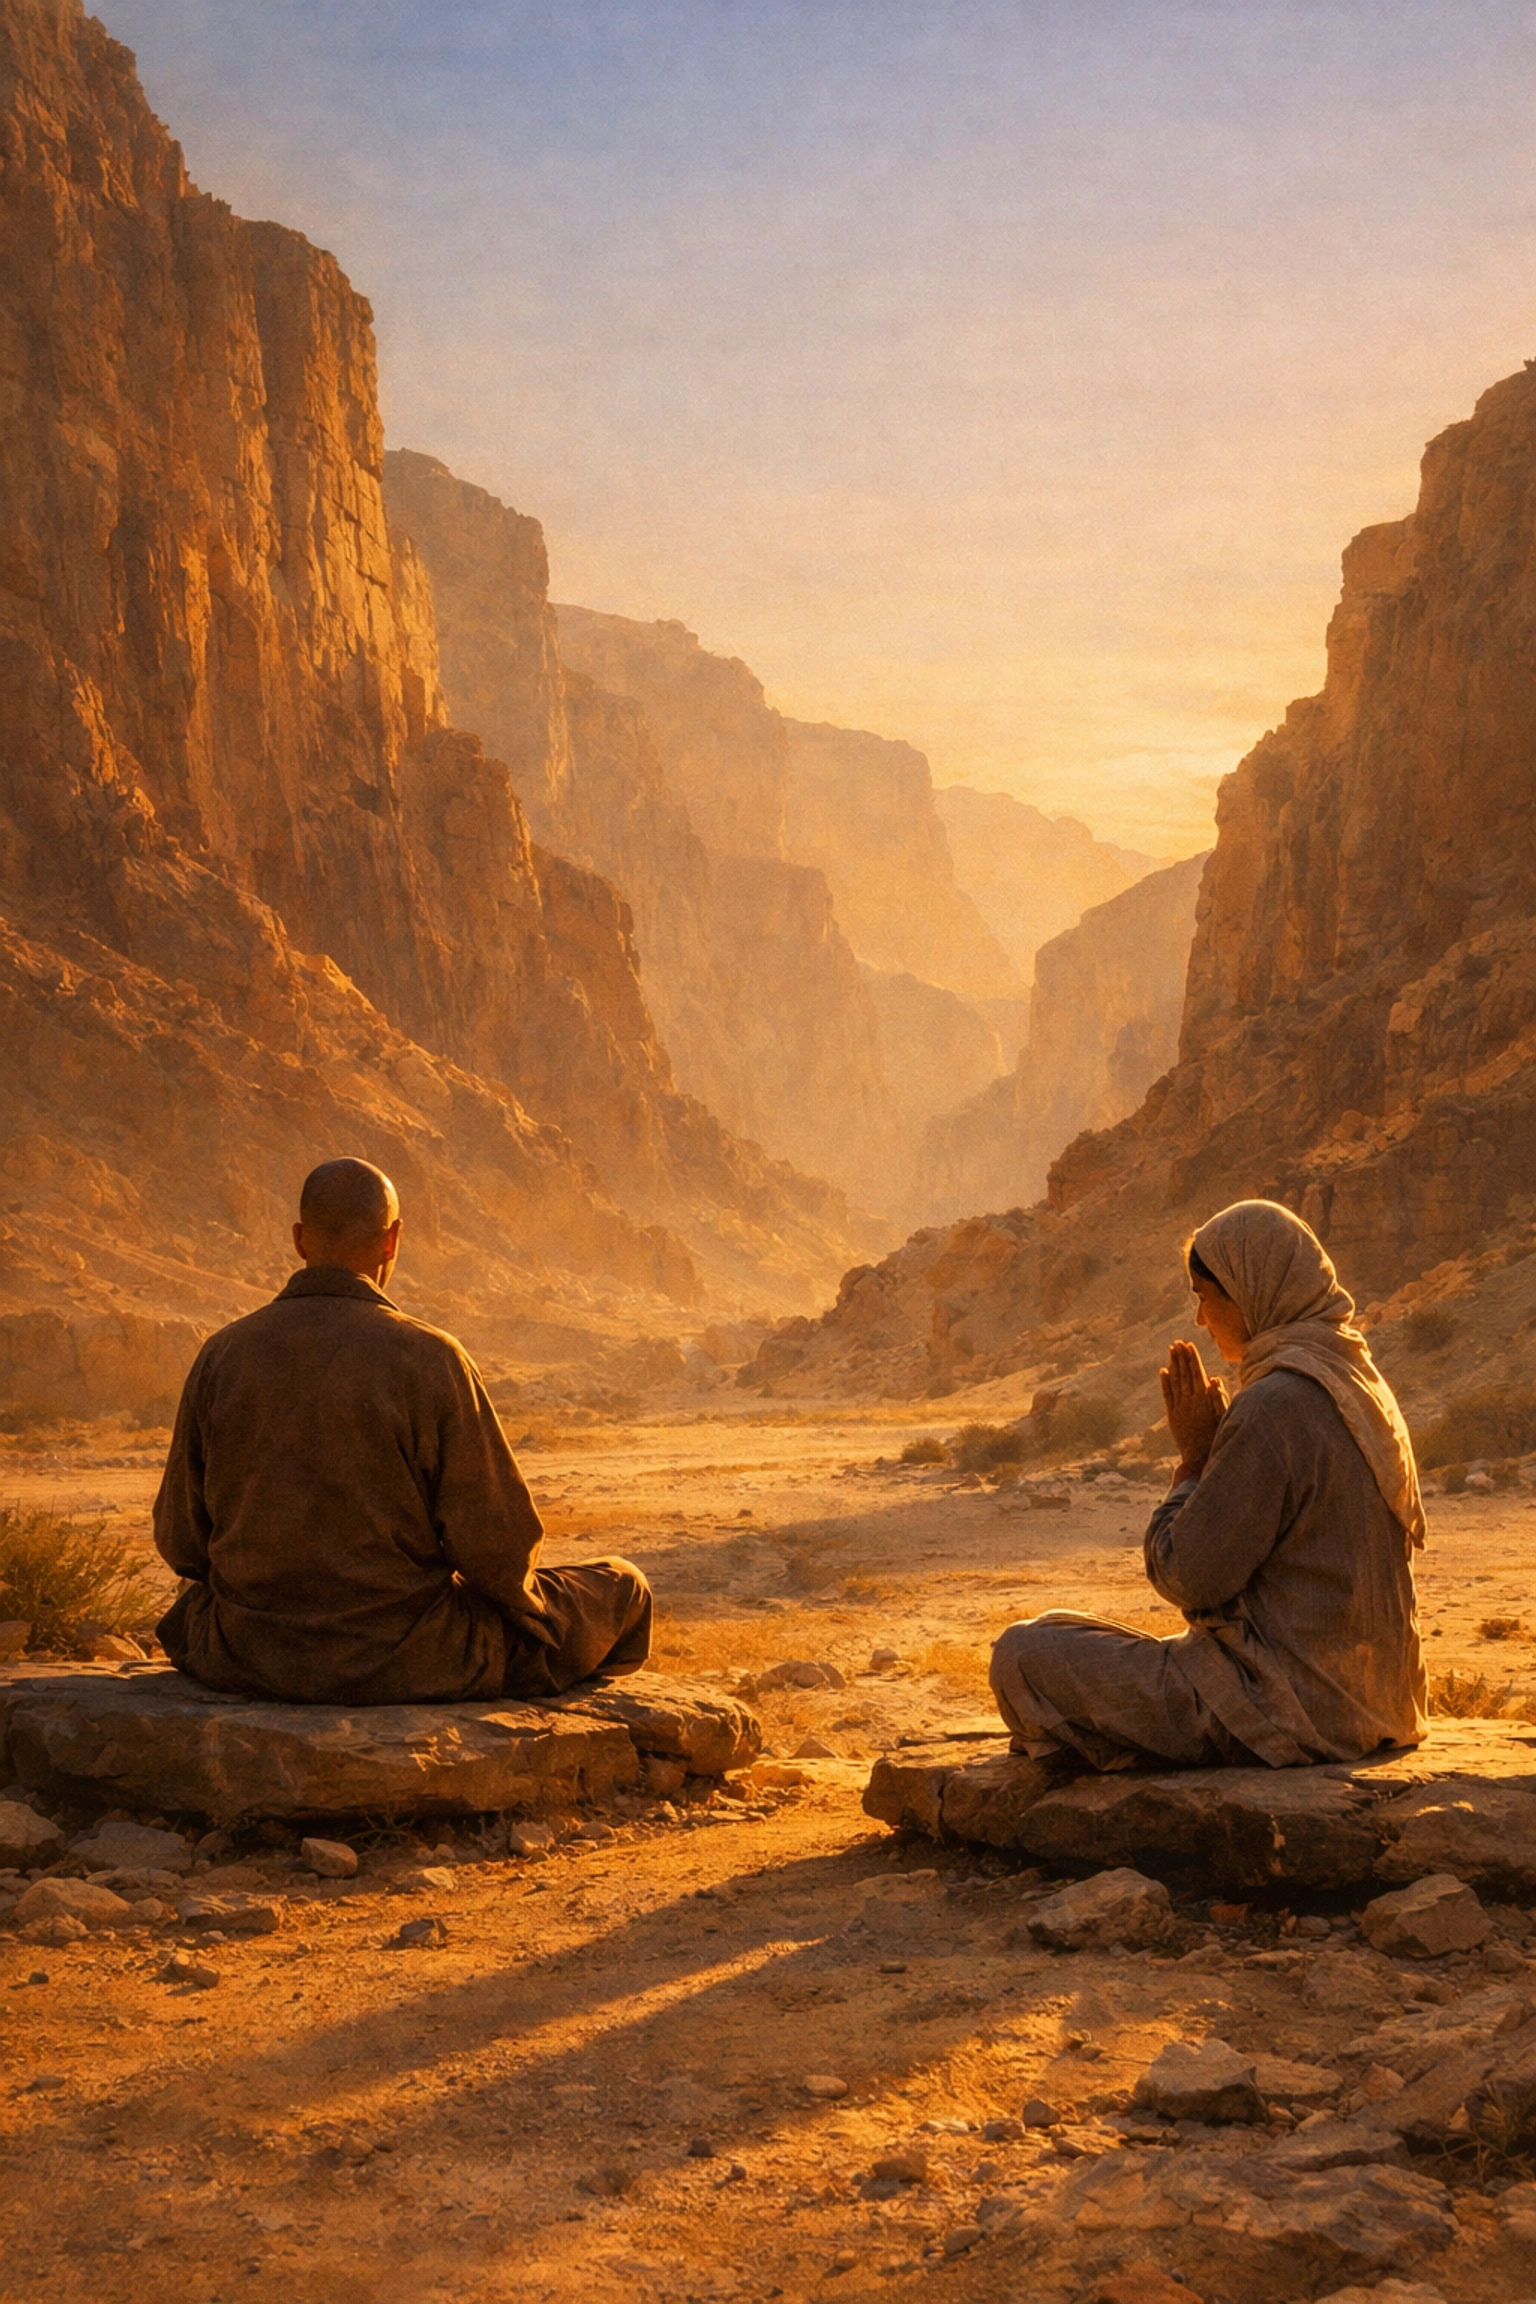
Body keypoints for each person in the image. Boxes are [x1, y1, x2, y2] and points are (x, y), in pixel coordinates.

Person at [153, 1157, 652, 1705]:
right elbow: (500, 1553)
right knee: (623, 1585)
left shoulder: (222, 1354)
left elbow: (181, 1541)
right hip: (409, 1658)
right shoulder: (431, 1357)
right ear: (392, 1241)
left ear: (299, 1240)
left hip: (245, 1654)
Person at [989, 1198, 1427, 1771]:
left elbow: (1188, 1576)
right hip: (1381, 1706)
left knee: (1024, 1653)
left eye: (1205, 1296)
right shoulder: (1360, 1386)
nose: (1200, 1319)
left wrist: (1196, 1457)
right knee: (1059, 1630)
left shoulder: (1275, 1403)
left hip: (1284, 1708)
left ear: (1248, 1291)